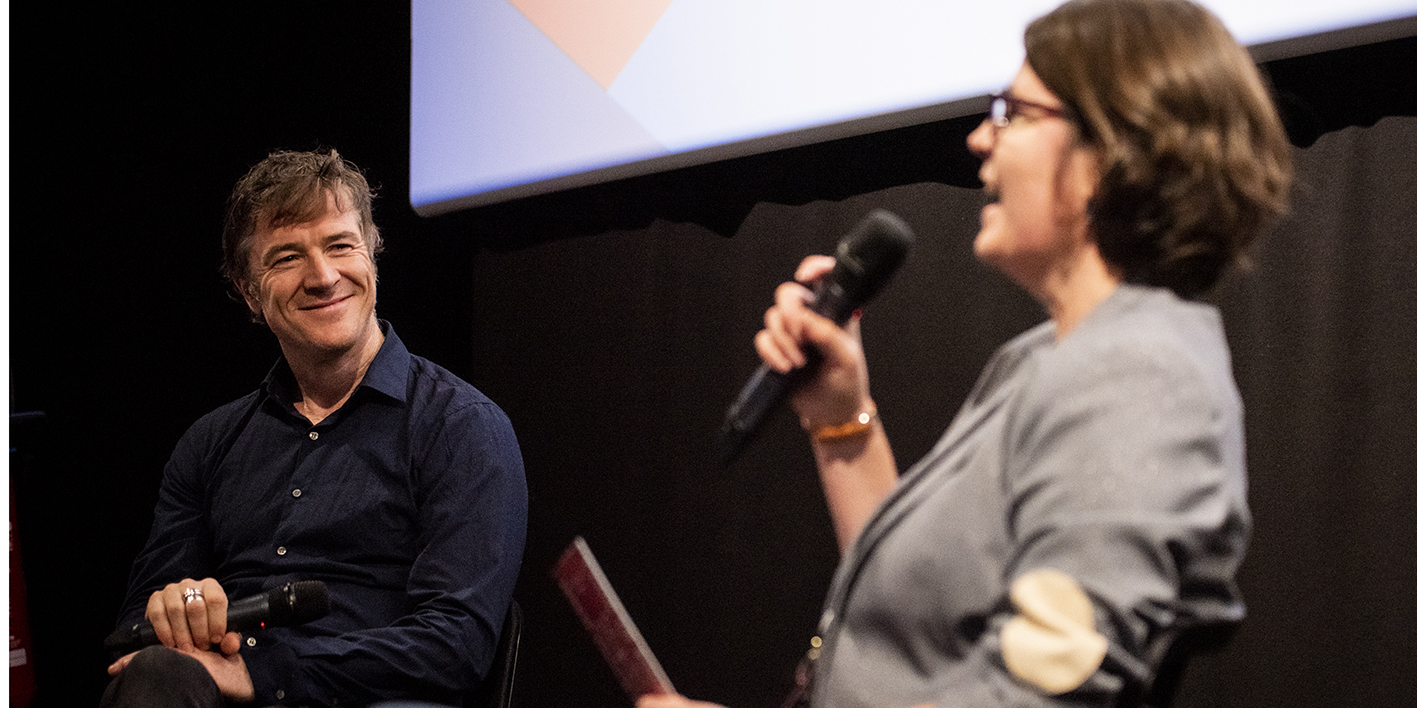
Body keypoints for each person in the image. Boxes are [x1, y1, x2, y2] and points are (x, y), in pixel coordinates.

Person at [642, 0, 1291, 706]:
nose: (981, 139)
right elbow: (923, 625)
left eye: (1013, 113)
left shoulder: (1139, 380)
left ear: (1110, 153)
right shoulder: (1046, 358)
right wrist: (840, 415)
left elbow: (1036, 695)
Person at [102, 149, 528, 707]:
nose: (323, 276)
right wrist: (176, 608)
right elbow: (132, 633)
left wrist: (269, 673)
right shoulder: (209, 444)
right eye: (287, 257)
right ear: (249, 291)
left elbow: (455, 644)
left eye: (340, 245)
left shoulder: (461, 427)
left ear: (372, 255)